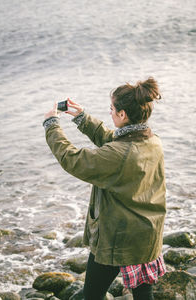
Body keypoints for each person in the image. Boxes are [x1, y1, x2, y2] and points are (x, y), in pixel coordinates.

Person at [43, 77, 167, 300]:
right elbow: (113, 140)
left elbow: (73, 159)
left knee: (92, 295)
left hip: (117, 240)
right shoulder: (151, 140)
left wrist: (51, 125)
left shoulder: (119, 154)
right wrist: (82, 118)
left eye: (111, 109)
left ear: (122, 115)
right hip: (146, 236)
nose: (109, 113)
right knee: (143, 294)